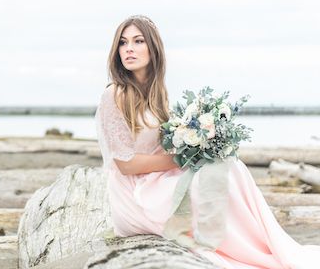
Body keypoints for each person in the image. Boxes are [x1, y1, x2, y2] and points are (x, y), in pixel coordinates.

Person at [95, 14, 320, 268]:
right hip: (134, 193)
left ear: (153, 48)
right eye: (123, 43)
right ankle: (248, 253)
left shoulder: (157, 95)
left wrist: (197, 146)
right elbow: (125, 164)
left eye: (138, 41)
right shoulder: (114, 94)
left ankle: (263, 246)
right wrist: (180, 159)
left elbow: (165, 143)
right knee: (206, 181)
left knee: (231, 167)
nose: (129, 49)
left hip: (156, 177)